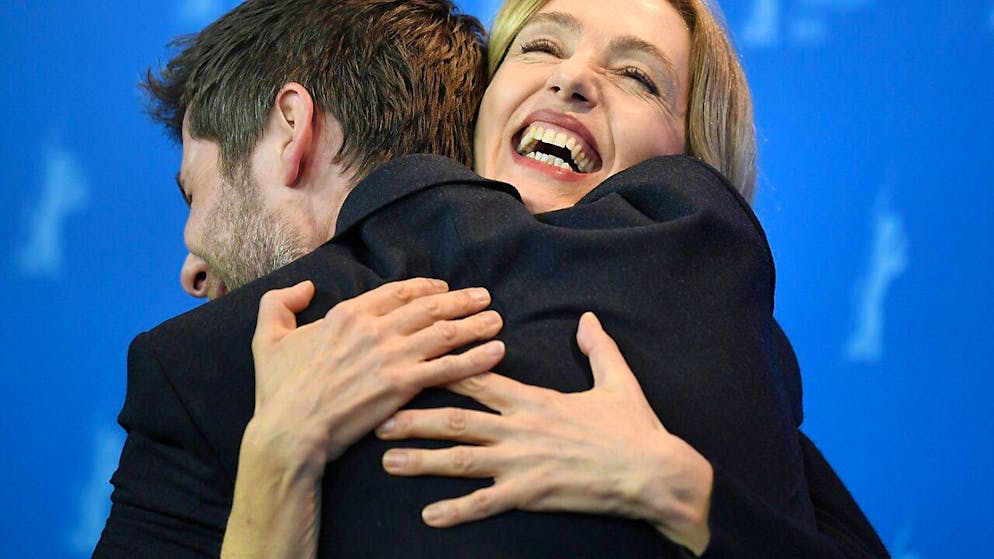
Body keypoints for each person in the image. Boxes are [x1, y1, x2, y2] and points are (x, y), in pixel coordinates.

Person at [95, 0, 888, 558]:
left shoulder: (735, 399)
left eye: (640, 78)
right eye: (541, 46)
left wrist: (678, 486)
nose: (573, 80)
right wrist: (277, 454)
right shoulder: (211, 378)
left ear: (693, 161)